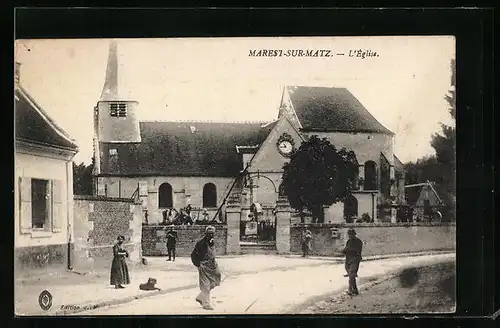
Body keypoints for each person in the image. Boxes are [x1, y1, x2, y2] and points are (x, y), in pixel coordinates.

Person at [190, 226, 222, 310]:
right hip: (204, 265)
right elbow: (193, 255)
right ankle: (206, 304)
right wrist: (198, 264)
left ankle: (201, 296)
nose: (211, 235)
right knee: (206, 285)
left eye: (212, 234)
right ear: (206, 234)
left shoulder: (212, 241)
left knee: (216, 279)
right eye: (209, 234)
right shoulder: (201, 243)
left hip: (213, 265)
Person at [341, 228, 363, 296]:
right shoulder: (349, 241)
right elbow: (345, 249)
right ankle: (353, 290)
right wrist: (344, 250)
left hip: (355, 259)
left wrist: (348, 249)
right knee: (351, 275)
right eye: (349, 235)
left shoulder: (358, 241)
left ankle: (352, 290)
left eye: (351, 235)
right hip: (348, 260)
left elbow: (357, 251)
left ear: (354, 234)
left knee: (351, 274)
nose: (350, 236)